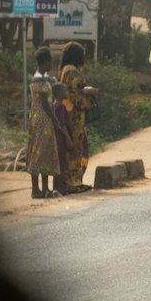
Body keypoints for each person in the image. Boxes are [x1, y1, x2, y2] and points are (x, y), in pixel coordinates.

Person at [58, 42, 96, 193]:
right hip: (73, 115)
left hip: (70, 113)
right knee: (75, 147)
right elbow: (73, 94)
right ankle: (73, 182)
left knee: (77, 147)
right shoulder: (72, 72)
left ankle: (76, 181)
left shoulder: (64, 69)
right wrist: (88, 93)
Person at [26, 47, 61, 200]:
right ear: (45, 62)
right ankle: (36, 189)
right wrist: (55, 120)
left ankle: (45, 189)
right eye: (50, 61)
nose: (51, 64)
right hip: (42, 119)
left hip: (38, 118)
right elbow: (45, 105)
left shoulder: (41, 77)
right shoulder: (39, 79)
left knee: (45, 152)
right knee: (39, 153)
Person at [51, 82, 74, 196]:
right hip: (61, 138)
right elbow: (62, 124)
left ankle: (59, 186)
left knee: (60, 162)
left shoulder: (54, 105)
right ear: (59, 92)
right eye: (65, 91)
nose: (67, 93)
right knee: (62, 162)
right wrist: (69, 139)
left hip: (57, 138)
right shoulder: (60, 106)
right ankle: (59, 187)